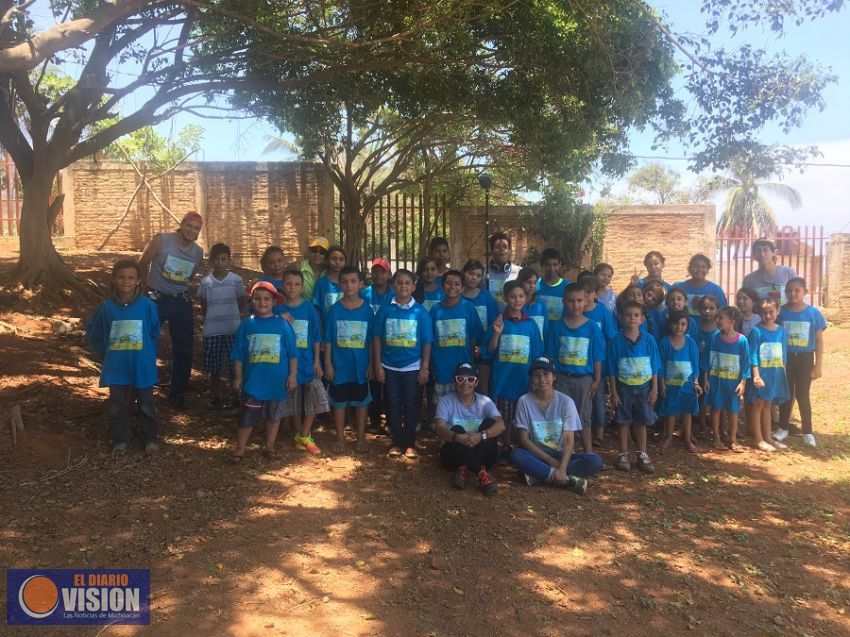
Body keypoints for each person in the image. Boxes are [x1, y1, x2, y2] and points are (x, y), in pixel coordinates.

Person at [87, 260, 161, 454]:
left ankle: (150, 439)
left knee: (146, 403)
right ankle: (120, 440)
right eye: (121, 277)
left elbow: (154, 331)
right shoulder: (107, 308)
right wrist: (106, 353)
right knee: (118, 404)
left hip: (142, 365)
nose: (125, 281)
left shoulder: (147, 306)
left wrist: (147, 354)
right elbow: (96, 333)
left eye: (130, 277)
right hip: (117, 367)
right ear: (114, 279)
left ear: (138, 281)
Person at [137, 210, 204, 408]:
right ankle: (142, 386)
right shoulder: (162, 240)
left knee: (184, 348)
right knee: (146, 341)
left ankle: (177, 392)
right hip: (155, 298)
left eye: (196, 228)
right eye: (189, 226)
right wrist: (141, 291)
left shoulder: (198, 252)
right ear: (181, 225)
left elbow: (191, 276)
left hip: (181, 300)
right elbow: (142, 263)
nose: (192, 231)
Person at [510, 356, 603, 493]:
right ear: (532, 379)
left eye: (546, 374)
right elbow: (523, 439)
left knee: (595, 460)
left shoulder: (566, 402)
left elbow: (568, 439)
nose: (542, 379)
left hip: (562, 455)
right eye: (537, 375)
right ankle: (567, 480)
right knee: (516, 455)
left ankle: (540, 475)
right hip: (537, 454)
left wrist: (562, 467)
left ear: (554, 377)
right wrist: (549, 460)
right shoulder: (524, 401)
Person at [229, 281, 298, 462]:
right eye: (257, 298)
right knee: (248, 416)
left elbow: (292, 354)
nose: (262, 302)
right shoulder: (246, 325)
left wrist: (292, 375)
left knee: (274, 417)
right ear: (252, 300)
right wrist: (238, 376)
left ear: (274, 301)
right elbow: (238, 354)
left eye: (267, 299)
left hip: (277, 381)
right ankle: (240, 449)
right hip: (254, 381)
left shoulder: (283, 325)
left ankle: (270, 446)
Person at [374, 269, 433, 458]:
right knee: (392, 403)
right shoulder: (385, 309)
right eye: (399, 283)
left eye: (408, 283)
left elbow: (426, 342)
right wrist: (377, 365)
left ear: (414, 287)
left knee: (411, 404)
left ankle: (410, 442)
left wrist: (424, 367)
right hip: (389, 367)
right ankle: (397, 441)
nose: (403, 286)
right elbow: (376, 338)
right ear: (393, 285)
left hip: (412, 368)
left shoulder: (420, 312)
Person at [544, 283, 604, 454]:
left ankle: (588, 453)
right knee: (562, 415)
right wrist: (551, 378)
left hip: (584, 379)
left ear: (586, 301)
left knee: (584, 416)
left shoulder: (592, 328)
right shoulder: (557, 326)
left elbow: (598, 355)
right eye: (571, 301)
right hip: (562, 378)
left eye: (579, 301)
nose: (575, 305)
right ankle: (562, 453)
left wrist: (597, 379)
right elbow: (551, 355)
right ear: (564, 302)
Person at [487, 280, 542, 456]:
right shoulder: (499, 321)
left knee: (523, 415)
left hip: (523, 380)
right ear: (505, 298)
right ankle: (506, 445)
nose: (517, 300)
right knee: (505, 416)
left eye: (521, 296)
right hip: (503, 379)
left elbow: (537, 354)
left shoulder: (531, 324)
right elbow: (489, 351)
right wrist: (496, 333)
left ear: (526, 298)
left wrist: (535, 379)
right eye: (512, 296)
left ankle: (525, 448)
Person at [607, 300, 661, 473]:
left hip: (644, 389)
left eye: (636, 315)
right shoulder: (616, 341)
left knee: (641, 422)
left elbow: (654, 366)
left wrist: (654, 389)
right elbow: (612, 369)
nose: (632, 318)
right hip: (623, 389)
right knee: (623, 421)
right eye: (628, 315)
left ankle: (642, 453)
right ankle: (623, 453)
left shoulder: (649, 340)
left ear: (642, 319)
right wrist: (613, 392)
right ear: (621, 318)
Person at [325, 266, 375, 452]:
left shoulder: (368, 311)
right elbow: (328, 339)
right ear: (340, 284)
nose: (349, 285)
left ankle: (361, 438)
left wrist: (371, 363)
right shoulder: (334, 310)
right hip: (339, 367)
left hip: (360, 366)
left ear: (360, 284)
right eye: (344, 282)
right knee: (339, 403)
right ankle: (340, 438)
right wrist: (328, 363)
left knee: (362, 403)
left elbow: (371, 340)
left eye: (353, 281)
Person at [435, 363, 504, 494]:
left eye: (470, 379)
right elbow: (439, 428)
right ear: (454, 382)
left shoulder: (485, 401)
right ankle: (480, 473)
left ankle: (465, 469)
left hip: (483, 454)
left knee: (490, 423)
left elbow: (501, 425)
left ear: (476, 383)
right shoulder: (445, 401)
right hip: (452, 458)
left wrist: (481, 436)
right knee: (456, 429)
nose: (465, 383)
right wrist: (457, 437)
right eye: (460, 379)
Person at [280, 269, 328, 454]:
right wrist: (279, 317)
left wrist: (317, 361)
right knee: (292, 400)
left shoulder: (308, 308)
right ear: (283, 286)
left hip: (308, 362)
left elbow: (316, 336)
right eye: (289, 283)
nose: (292, 287)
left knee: (317, 395)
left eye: (297, 284)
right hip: (286, 365)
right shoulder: (277, 308)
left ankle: (303, 433)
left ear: (302, 287)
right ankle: (302, 436)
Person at [774, 277, 826, 447]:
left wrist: (817, 365)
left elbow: (819, 340)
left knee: (802, 395)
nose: (792, 293)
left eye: (797, 290)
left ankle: (808, 431)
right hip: (786, 358)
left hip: (805, 359)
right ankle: (783, 428)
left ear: (805, 291)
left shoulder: (813, 314)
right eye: (789, 290)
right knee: (786, 394)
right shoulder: (781, 312)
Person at [197, 243, 247, 408]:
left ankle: (236, 396)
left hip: (233, 328)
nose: (220, 262)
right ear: (211, 261)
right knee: (214, 366)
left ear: (229, 260)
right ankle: (215, 397)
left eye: (223, 259)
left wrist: (231, 315)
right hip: (212, 330)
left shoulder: (236, 281)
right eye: (216, 259)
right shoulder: (205, 282)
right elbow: (203, 304)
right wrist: (212, 317)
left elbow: (241, 302)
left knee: (234, 366)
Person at [430, 270, 483, 404]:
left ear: (462, 288)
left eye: (457, 284)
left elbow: (474, 336)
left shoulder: (468, 308)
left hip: (463, 367)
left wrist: (471, 360)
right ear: (442, 286)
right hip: (441, 367)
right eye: (448, 283)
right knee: (441, 406)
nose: (452, 287)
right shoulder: (435, 310)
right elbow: (430, 340)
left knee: (462, 404)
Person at [705, 306, 752, 452]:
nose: (717, 320)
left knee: (733, 411)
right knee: (716, 408)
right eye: (717, 317)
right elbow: (707, 359)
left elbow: (745, 364)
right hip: (716, 381)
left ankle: (733, 439)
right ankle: (717, 438)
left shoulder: (742, 341)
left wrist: (743, 382)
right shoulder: (714, 337)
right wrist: (706, 379)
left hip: (733, 383)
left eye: (720, 318)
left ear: (731, 321)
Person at [579, 272, 618, 446]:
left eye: (590, 292)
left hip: (598, 363)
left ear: (596, 293)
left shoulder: (602, 311)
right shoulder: (573, 309)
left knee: (599, 398)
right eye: (583, 292)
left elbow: (612, 336)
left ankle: (599, 434)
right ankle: (580, 430)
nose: (586, 296)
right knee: (582, 399)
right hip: (579, 363)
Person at [746, 299, 789, 452]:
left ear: (778, 311)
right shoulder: (756, 331)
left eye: (771, 312)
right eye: (764, 313)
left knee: (768, 405)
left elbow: (783, 354)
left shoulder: (781, 330)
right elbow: (753, 355)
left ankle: (768, 437)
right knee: (758, 405)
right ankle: (758, 439)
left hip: (775, 374)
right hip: (761, 375)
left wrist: (782, 374)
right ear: (760, 314)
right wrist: (756, 376)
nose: (768, 315)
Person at [657, 310, 702, 453]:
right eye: (676, 324)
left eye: (683, 324)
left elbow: (695, 363)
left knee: (687, 412)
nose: (679, 327)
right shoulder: (664, 342)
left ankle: (687, 439)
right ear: (670, 324)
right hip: (670, 385)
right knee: (671, 411)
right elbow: (661, 364)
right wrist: (662, 382)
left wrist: (695, 382)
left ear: (687, 325)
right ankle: (669, 436)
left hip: (687, 385)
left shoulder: (691, 343)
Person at [361, 258, 393, 431]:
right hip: (367, 344)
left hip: (388, 345)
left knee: (389, 385)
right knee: (372, 382)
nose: (379, 275)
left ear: (389, 274)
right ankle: (374, 421)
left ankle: (389, 420)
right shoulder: (364, 294)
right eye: (375, 271)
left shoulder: (394, 295)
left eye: (383, 271)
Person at [461, 259, 499, 396]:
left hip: (483, 352)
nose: (474, 278)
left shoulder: (486, 297)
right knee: (463, 390)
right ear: (464, 273)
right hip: (462, 350)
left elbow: (492, 325)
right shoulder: (457, 297)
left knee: (482, 390)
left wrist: (482, 348)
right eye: (471, 273)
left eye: (478, 275)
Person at [742, 238, 797, 306]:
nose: (762, 254)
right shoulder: (749, 280)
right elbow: (745, 305)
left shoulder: (788, 273)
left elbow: (798, 298)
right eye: (758, 251)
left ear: (774, 253)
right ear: (754, 255)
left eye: (765, 250)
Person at [694, 295, 721, 436]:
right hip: (697, 366)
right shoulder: (694, 326)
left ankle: (719, 427)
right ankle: (702, 425)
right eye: (704, 308)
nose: (708, 311)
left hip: (714, 369)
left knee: (713, 395)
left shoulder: (718, 330)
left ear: (717, 310)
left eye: (712, 308)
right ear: (699, 309)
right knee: (700, 396)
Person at [485, 231, 521, 310]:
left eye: (505, 247)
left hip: (511, 319)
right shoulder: (483, 272)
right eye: (497, 247)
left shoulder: (519, 272)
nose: (502, 249)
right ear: (492, 251)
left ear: (509, 251)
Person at [289, 236, 329, 302]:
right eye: (314, 250)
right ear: (309, 251)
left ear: (326, 255)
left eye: (322, 252)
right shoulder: (298, 267)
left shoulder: (330, 270)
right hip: (303, 310)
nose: (317, 254)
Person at [537, 248, 569, 322]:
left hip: (559, 332)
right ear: (542, 265)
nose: (551, 268)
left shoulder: (567, 287)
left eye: (555, 265)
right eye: (548, 265)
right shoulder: (535, 285)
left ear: (560, 264)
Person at [517, 266, 548, 344]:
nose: (532, 286)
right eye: (529, 282)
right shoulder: (516, 305)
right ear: (520, 282)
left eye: (535, 282)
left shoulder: (541, 306)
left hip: (539, 349)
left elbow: (545, 331)